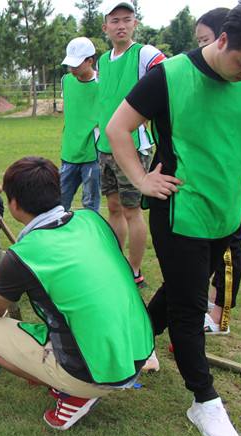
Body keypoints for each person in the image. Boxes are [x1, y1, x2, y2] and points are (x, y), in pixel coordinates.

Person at [106, 1, 241, 436]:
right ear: (224, 40)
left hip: (226, 213)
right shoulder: (170, 76)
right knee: (189, 308)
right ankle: (204, 400)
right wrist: (141, 178)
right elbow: (118, 128)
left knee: (180, 289)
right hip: (181, 213)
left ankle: (136, 344)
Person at [0, 157, 153, 431]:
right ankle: (84, 378)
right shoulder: (91, 220)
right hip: (138, 350)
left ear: (14, 204)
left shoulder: (23, 254)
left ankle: (76, 393)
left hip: (93, 372)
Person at [97, 1, 166, 288]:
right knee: (113, 207)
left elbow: (168, 76)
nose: (121, 25)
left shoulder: (144, 54)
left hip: (133, 146)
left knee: (131, 209)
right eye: (115, 21)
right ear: (105, 27)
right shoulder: (102, 60)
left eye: (127, 20)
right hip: (104, 146)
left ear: (135, 24)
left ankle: (135, 269)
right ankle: (116, 260)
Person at [195, 7, 241, 335]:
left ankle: (220, 316)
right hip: (207, 185)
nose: (202, 48)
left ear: (225, 39)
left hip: (229, 188)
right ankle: (204, 308)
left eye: (205, 40)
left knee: (227, 251)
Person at [60, 37, 101, 212]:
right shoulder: (66, 81)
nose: (72, 69)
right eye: (70, 64)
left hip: (93, 154)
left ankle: (91, 237)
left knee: (90, 203)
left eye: (76, 65)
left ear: (90, 61)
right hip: (69, 152)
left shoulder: (103, 83)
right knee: (59, 202)